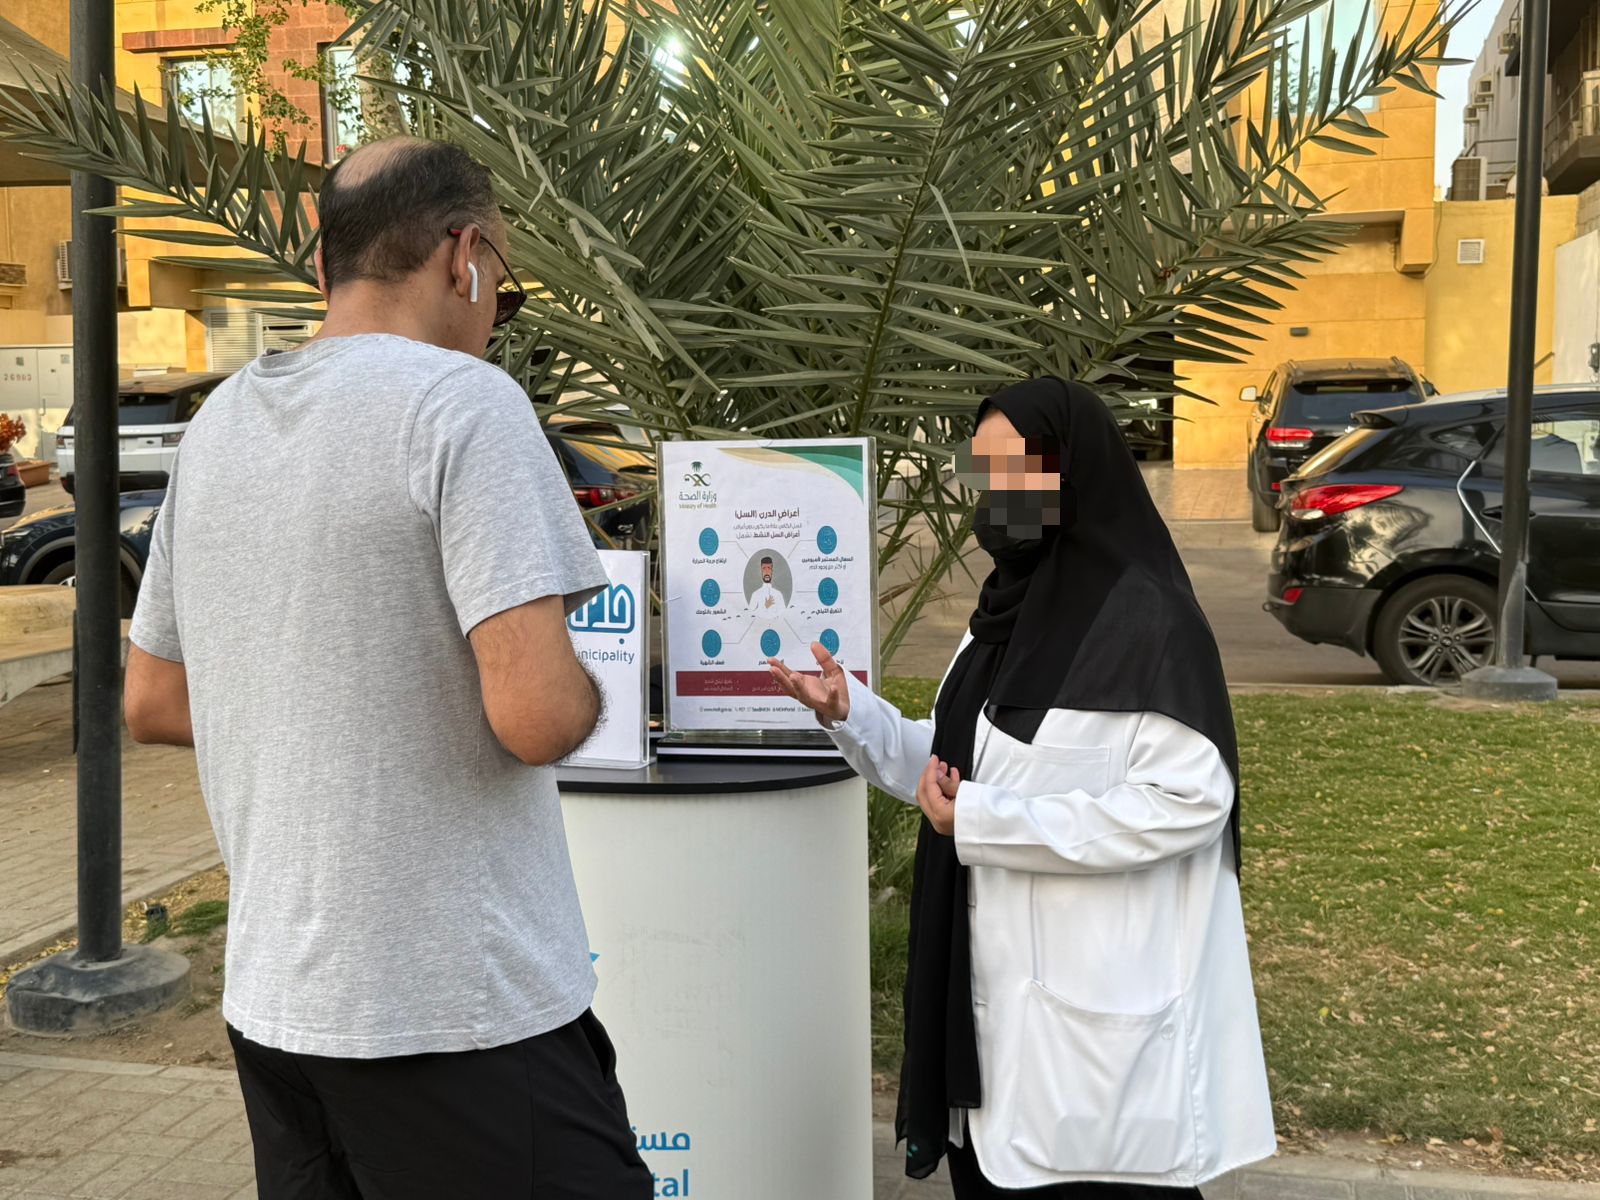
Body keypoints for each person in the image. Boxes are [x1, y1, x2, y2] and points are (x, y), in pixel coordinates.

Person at [123, 137, 652, 1199]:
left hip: (277, 1009)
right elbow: (537, 716)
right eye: (503, 284)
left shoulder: (218, 426)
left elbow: (155, 699)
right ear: (465, 255)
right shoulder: (464, 404)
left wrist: (326, 699)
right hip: (454, 1007)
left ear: (326, 265)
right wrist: (594, 685)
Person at [770, 378, 1275, 1197]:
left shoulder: (1150, 623)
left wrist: (985, 819)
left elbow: (1190, 802)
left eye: (1020, 471)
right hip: (989, 1033)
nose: (1000, 495)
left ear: (1075, 471)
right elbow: (959, 767)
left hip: (1099, 1054)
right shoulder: (1005, 615)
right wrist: (851, 713)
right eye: (988, 472)